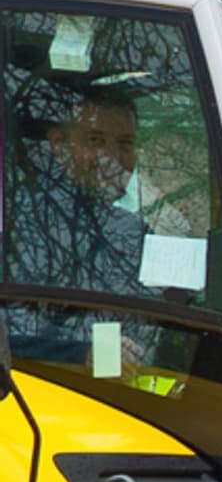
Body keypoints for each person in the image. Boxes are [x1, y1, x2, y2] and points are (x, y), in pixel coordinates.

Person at [5, 82, 150, 360]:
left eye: (124, 144)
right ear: (59, 145)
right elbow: (12, 334)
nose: (111, 158)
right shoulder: (17, 223)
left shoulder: (133, 233)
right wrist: (81, 355)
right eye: (95, 141)